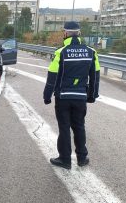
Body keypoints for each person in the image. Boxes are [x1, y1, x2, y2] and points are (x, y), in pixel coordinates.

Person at [43, 21, 100, 170]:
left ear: (65, 33)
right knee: (79, 126)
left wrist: (47, 95)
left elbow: (52, 76)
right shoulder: (91, 52)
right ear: (79, 33)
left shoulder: (60, 52)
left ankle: (65, 160)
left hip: (63, 98)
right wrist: (92, 95)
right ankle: (82, 158)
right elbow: (95, 76)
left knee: (64, 128)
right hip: (80, 97)